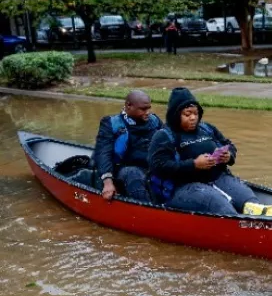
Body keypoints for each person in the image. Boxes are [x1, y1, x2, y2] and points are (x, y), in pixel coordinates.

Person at [148, 87, 260, 215]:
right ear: (175, 114)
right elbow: (157, 166)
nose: (193, 118)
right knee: (222, 206)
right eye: (187, 114)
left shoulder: (207, 128)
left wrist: (229, 156)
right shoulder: (163, 136)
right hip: (183, 187)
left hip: (218, 178)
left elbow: (228, 144)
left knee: (249, 201)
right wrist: (194, 164)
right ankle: (239, 229)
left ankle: (264, 224)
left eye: (196, 113)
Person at [93, 90, 162, 203]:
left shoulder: (155, 121)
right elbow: (103, 153)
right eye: (143, 109)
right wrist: (108, 182)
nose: (148, 112)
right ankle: (148, 210)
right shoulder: (110, 124)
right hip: (124, 170)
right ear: (129, 106)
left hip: (150, 167)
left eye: (149, 108)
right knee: (132, 173)